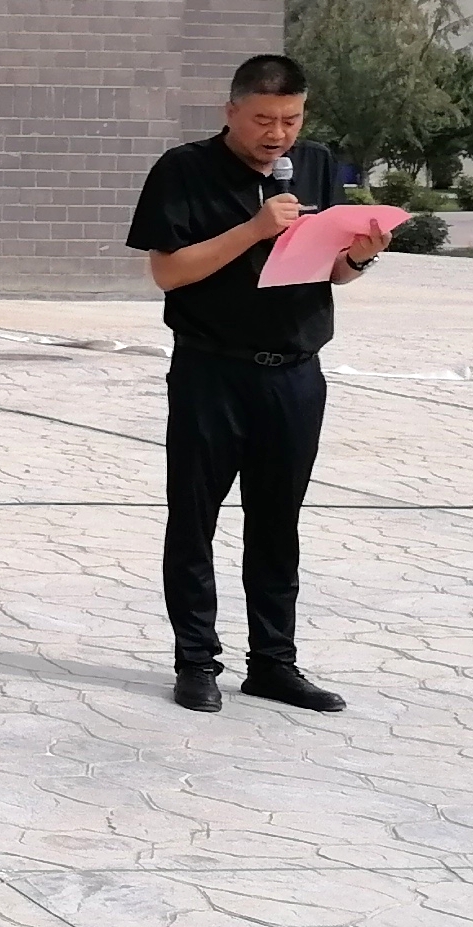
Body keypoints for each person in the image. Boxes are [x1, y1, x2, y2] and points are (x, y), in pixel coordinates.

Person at [127, 52, 380, 714]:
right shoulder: (184, 170)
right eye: (264, 119)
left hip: (294, 374)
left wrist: (358, 257)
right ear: (231, 111)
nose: (278, 134)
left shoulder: (316, 164)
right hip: (212, 370)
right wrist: (254, 229)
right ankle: (196, 662)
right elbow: (168, 272)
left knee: (277, 522)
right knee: (195, 519)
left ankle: (273, 662)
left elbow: (332, 268)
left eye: (291, 120)